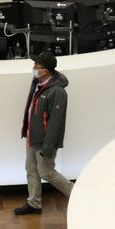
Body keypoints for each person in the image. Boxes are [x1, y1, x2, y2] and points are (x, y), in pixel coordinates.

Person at [14, 50, 73, 215]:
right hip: (32, 138)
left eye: (37, 66)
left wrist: (48, 147)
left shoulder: (57, 92)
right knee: (31, 170)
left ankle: (75, 193)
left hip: (45, 143)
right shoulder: (37, 83)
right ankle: (34, 203)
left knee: (47, 172)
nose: (34, 68)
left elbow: (56, 123)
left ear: (46, 70)